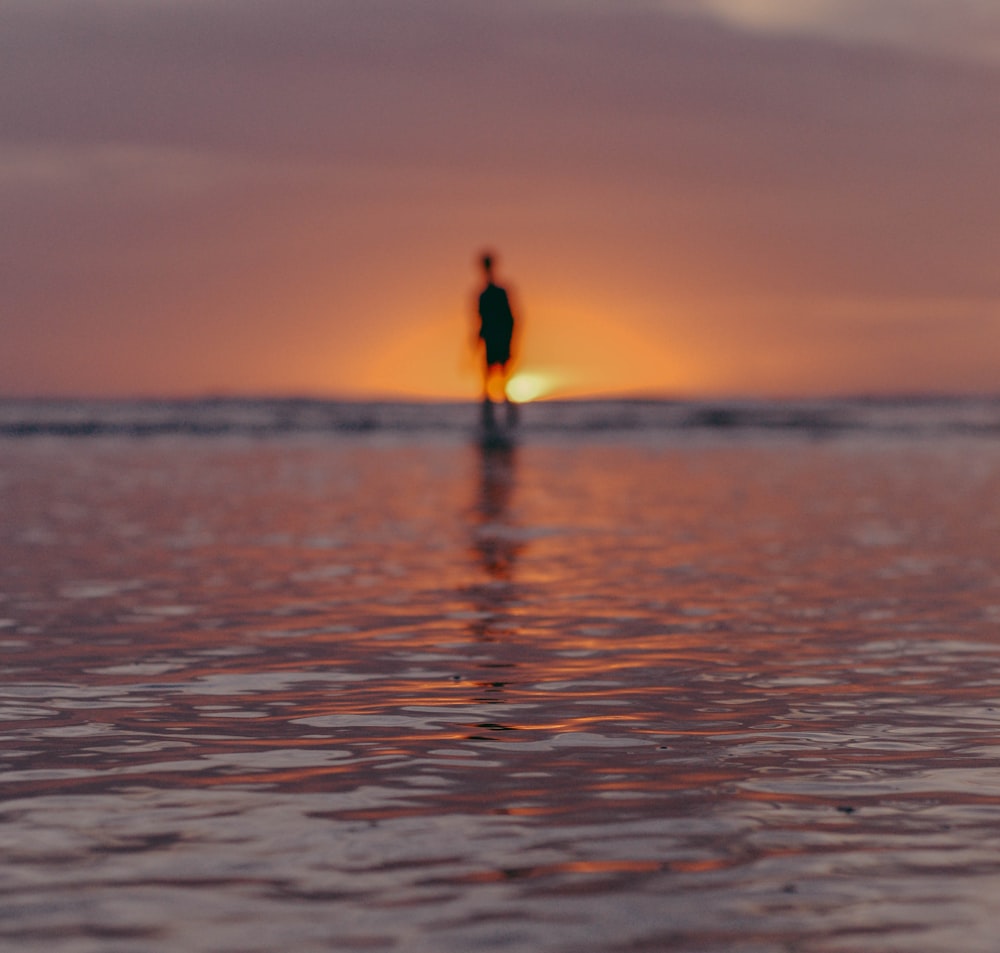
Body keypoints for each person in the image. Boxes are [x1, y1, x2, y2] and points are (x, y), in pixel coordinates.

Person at [474, 251, 517, 429]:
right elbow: (482, 322)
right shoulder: (485, 295)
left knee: (500, 381)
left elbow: (509, 319)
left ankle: (507, 421)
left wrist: (508, 341)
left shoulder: (495, 294)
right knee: (490, 382)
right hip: (493, 342)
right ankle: (491, 422)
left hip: (498, 342)